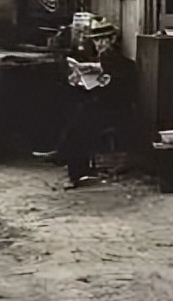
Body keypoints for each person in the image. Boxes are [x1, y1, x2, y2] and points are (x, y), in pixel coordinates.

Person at [38, 28, 135, 188]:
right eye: (96, 40)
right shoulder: (103, 57)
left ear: (112, 40)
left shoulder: (116, 59)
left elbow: (121, 90)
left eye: (104, 40)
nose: (100, 44)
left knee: (81, 123)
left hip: (116, 108)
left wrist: (103, 82)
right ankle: (67, 157)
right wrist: (81, 80)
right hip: (102, 104)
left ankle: (68, 162)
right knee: (75, 112)